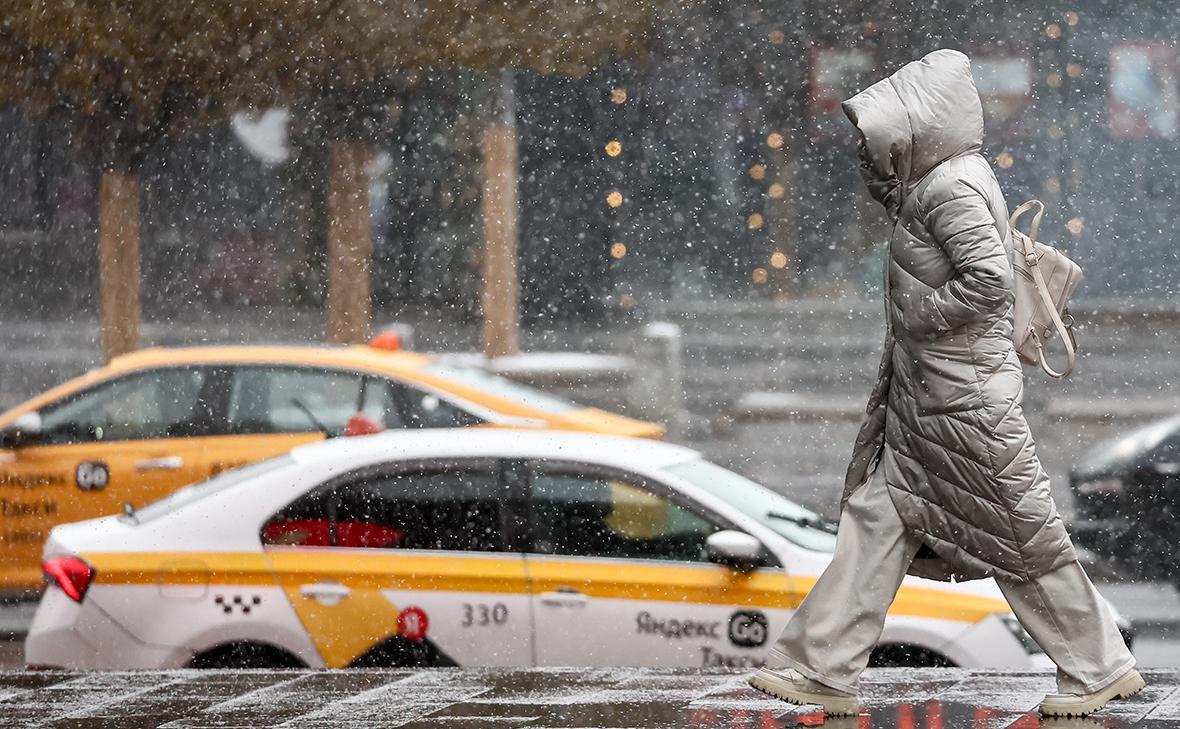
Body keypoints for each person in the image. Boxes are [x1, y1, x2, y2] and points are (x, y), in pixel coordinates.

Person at [748, 49, 1144, 718]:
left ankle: (1101, 666)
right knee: (878, 520)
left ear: (914, 125)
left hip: (963, 408)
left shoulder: (950, 186)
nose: (871, 150)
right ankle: (822, 665)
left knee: (1025, 541)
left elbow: (987, 282)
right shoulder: (945, 179)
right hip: (935, 404)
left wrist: (918, 314)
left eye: (881, 136)